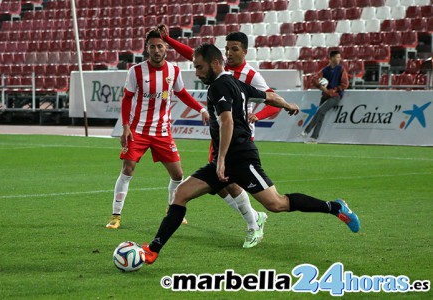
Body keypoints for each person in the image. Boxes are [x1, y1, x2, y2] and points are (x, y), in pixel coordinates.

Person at [140, 44, 361, 264]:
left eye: (199, 67)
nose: (197, 73)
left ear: (215, 64)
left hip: (242, 159)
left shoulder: (219, 86)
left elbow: (227, 121)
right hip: (225, 159)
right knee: (181, 194)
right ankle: (153, 249)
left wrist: (222, 160)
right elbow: (268, 96)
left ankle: (336, 207)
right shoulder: (236, 83)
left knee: (276, 204)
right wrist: (287, 104)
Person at [158, 25, 280, 248]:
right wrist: (168, 39)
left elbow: (272, 99)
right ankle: (255, 218)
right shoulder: (218, 67)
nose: (230, 53)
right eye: (227, 49)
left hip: (238, 138)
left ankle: (254, 223)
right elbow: (192, 54)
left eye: (234, 49)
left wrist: (258, 116)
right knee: (221, 185)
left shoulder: (251, 75)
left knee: (227, 182)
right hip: (220, 136)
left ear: (244, 52)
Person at [106, 30, 209, 229]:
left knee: (178, 175)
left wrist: (201, 109)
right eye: (152, 46)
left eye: (159, 46)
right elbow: (127, 98)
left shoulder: (174, 71)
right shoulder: (136, 71)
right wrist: (126, 127)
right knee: (127, 169)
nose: (156, 50)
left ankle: (173, 209)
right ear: (146, 48)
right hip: (138, 131)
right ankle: (115, 215)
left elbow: (182, 93)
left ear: (166, 48)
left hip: (162, 131)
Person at [299, 51, 349, 144]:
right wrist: (322, 87)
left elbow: (345, 84)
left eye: (339, 57)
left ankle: (306, 131)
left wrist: (334, 90)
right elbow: (314, 79)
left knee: (320, 111)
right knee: (320, 115)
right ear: (332, 58)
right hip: (325, 95)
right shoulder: (325, 70)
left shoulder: (341, 69)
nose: (339, 59)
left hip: (335, 96)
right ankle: (314, 138)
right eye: (337, 57)